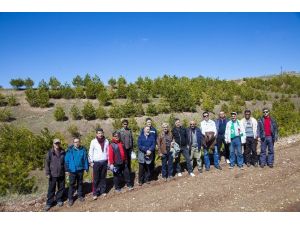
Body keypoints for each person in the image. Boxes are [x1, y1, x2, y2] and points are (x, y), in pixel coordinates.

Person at [65, 137, 89, 206]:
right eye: (75, 142)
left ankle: (80, 196)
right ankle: (70, 199)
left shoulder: (83, 150)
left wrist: (86, 168)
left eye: (78, 142)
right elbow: (66, 161)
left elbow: (85, 159)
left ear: (79, 142)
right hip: (72, 170)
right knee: (71, 185)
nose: (77, 143)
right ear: (73, 143)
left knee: (80, 183)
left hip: (80, 170)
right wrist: (67, 170)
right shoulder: (70, 150)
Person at [44, 138, 65, 211]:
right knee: (51, 189)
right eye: (56, 143)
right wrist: (47, 173)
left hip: (61, 173)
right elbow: (46, 163)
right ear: (53, 144)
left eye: (58, 143)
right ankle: (49, 203)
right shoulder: (50, 152)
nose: (57, 144)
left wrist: (67, 170)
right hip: (52, 174)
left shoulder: (63, 151)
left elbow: (65, 162)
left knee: (61, 188)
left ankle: (59, 199)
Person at [88, 128, 109, 200]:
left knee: (103, 177)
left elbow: (108, 151)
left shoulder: (106, 141)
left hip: (104, 161)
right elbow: (90, 152)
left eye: (101, 133)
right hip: (96, 162)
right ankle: (95, 193)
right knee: (96, 178)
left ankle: (103, 191)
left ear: (103, 133)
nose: (100, 134)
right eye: (99, 133)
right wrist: (90, 162)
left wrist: (108, 161)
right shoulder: (93, 141)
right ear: (96, 134)